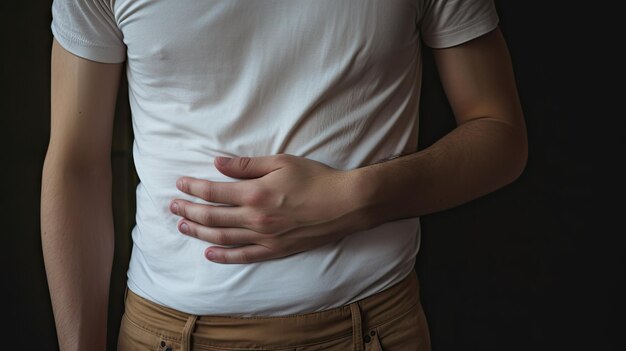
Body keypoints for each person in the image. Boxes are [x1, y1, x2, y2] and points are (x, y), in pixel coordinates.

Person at [41, 0, 527, 350]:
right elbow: (76, 166)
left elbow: (500, 135)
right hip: (168, 333)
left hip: (373, 326)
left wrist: (360, 197)